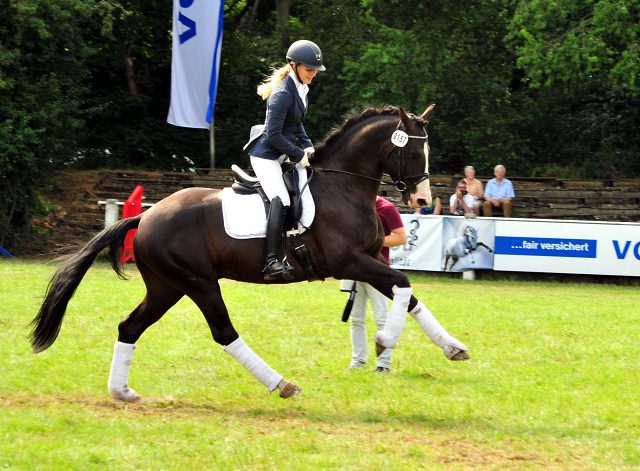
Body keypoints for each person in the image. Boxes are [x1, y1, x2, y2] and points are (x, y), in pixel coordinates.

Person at [244, 40, 325, 280]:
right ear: (294, 65)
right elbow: (273, 134)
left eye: (315, 70)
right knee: (282, 199)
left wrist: (309, 145)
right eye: (309, 69)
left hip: (280, 152)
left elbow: (296, 124)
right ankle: (270, 262)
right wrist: (298, 154)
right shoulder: (281, 94)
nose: (313, 74)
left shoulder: (301, 88)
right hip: (265, 156)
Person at [348, 196, 407, 373]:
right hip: (354, 267)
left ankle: (384, 365)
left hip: (377, 269)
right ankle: (358, 362)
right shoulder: (354, 204)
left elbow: (401, 237)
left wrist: (372, 241)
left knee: (382, 318)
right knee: (356, 318)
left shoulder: (386, 208)